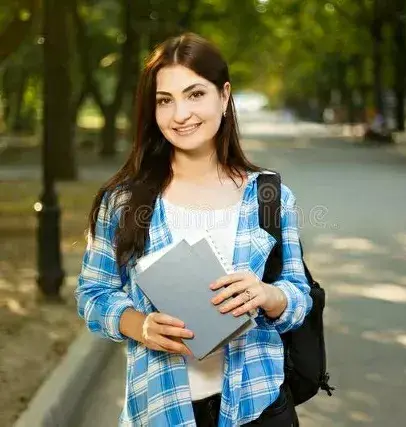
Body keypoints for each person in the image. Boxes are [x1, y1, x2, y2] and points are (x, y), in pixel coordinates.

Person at [75, 32, 312, 427]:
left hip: (258, 404)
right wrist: (140, 324)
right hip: (161, 409)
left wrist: (270, 295)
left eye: (195, 94)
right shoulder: (123, 202)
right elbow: (92, 294)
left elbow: (298, 295)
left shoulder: (269, 195)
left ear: (224, 95)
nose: (180, 114)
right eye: (165, 101)